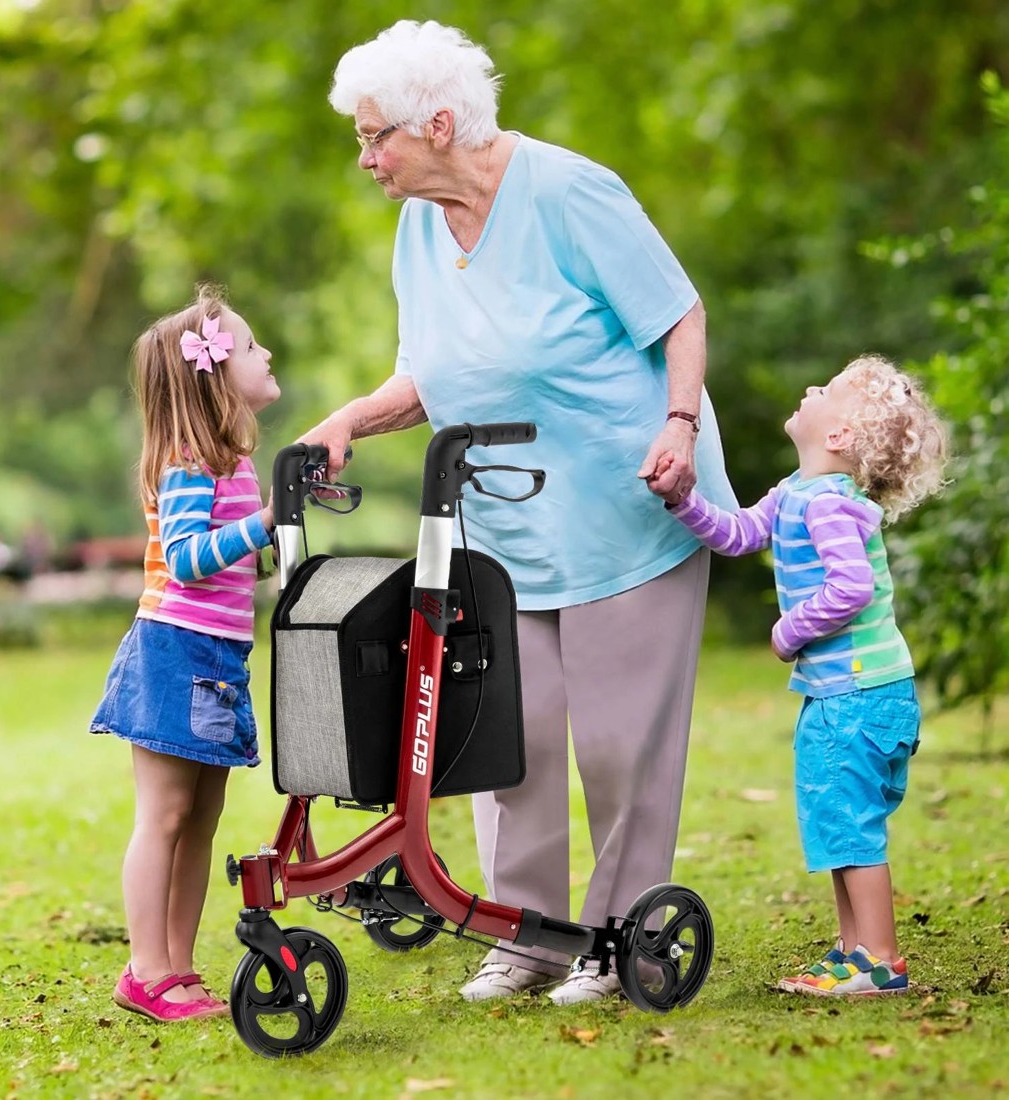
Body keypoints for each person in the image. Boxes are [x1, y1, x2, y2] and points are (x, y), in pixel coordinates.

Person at [303, 20, 738, 1004]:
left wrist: (675, 424)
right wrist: (347, 420)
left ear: (442, 122)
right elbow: (427, 375)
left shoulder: (569, 193)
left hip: (629, 502)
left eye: (379, 138)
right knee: (511, 731)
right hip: (505, 524)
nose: (366, 159)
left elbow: (677, 314)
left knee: (621, 741)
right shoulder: (419, 224)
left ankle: (622, 939)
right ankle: (526, 935)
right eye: (361, 139)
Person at [649, 354, 947, 996]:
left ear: (837, 436)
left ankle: (880, 961)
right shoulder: (795, 493)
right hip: (846, 694)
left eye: (827, 390)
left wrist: (789, 632)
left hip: (859, 697)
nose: (811, 388)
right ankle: (852, 952)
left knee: (850, 823)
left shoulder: (832, 506)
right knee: (838, 822)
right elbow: (735, 535)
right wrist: (682, 500)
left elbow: (851, 587)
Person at [90, 286, 281, 1021]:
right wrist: (266, 523)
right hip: (175, 649)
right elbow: (188, 557)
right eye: (253, 346)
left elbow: (237, 562)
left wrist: (275, 527)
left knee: (200, 818)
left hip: (218, 655)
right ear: (215, 371)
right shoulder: (186, 459)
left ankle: (177, 966)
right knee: (165, 815)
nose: (267, 355)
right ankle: (145, 969)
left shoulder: (231, 459)